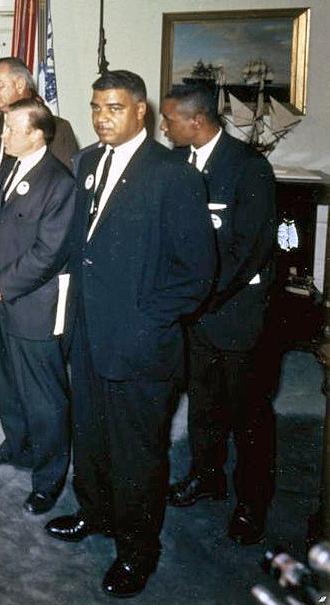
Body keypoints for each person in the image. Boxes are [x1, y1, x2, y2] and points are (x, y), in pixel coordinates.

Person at [44, 70, 215, 598]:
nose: (102, 117)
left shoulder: (172, 174)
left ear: (141, 111)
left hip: (141, 344)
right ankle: (94, 513)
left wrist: (146, 320)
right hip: (90, 332)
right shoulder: (89, 161)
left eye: (114, 108)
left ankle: (138, 551)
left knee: (137, 452)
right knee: (90, 434)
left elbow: (197, 272)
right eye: (96, 107)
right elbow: (81, 244)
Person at [159, 84, 277, 545]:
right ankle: (206, 478)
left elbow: (249, 249)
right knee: (204, 404)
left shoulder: (249, 168)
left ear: (196, 121)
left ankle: (253, 502)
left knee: (248, 413)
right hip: (196, 314)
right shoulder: (177, 164)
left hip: (235, 313)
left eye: (169, 120)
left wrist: (198, 297)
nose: (164, 127)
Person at [0, 98, 75, 515]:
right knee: (9, 382)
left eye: (12, 129)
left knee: (44, 396)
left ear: (37, 134)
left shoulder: (59, 183)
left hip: (35, 303)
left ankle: (49, 479)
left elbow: (48, 253)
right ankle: (16, 446)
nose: (3, 135)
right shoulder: (10, 167)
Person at [0, 55, 79, 428]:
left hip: (31, 263)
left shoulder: (57, 130)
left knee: (34, 354)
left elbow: (55, 201)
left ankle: (31, 420)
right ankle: (0, 400)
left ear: (20, 84)